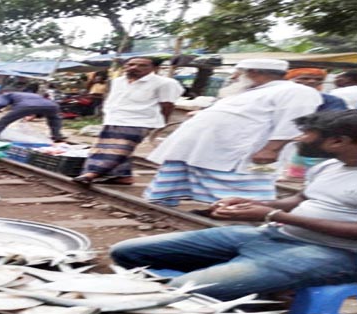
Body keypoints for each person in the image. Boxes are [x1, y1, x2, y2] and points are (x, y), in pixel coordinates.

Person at [110, 110, 357, 301]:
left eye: (307, 134)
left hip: (334, 254)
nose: (299, 138)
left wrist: (272, 214)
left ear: (338, 141)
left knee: (180, 290)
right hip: (274, 235)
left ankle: (234, 286)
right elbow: (301, 200)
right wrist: (253, 203)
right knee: (127, 252)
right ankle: (249, 285)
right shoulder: (329, 165)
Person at [143, 59, 322, 206]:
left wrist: (272, 149)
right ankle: (206, 208)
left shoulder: (296, 91)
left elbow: (295, 122)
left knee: (250, 184)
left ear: (254, 72)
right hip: (205, 149)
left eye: (238, 73)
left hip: (245, 152)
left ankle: (243, 213)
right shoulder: (251, 91)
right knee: (179, 175)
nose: (235, 77)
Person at [72, 57, 184, 185]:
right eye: (130, 64)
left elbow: (167, 104)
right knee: (103, 147)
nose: (134, 67)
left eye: (142, 65)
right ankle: (123, 176)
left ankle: (92, 173)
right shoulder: (118, 81)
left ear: (154, 68)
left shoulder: (165, 83)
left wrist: (162, 122)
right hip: (114, 118)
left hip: (140, 120)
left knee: (119, 148)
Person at [284, 68, 347, 179]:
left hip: (311, 144)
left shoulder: (331, 100)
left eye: (318, 79)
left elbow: (332, 121)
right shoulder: (280, 97)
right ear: (290, 80)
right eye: (304, 78)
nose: (311, 81)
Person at [0, 90, 67, 144]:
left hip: (25, 106)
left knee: (2, 123)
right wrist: (33, 115)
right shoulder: (31, 94)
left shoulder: (5, 94)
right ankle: (57, 136)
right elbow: (40, 105)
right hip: (52, 106)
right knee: (54, 120)